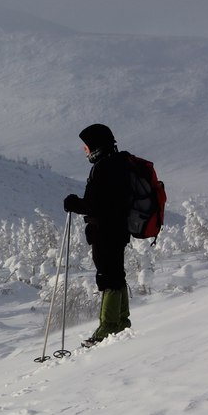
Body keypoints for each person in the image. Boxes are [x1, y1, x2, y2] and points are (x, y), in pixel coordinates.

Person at [63, 123, 133, 346]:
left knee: (107, 277)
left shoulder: (104, 168)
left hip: (106, 231)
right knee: (116, 274)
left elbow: (97, 205)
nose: (85, 151)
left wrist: (74, 204)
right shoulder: (119, 164)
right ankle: (121, 321)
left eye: (86, 146)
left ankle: (108, 327)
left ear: (96, 146)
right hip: (118, 229)